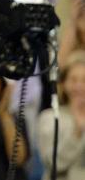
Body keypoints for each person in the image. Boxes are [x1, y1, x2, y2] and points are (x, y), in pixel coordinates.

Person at [37, 51, 85, 180]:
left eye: (84, 80)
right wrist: (77, 131)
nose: (79, 86)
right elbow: (54, 163)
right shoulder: (50, 118)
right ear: (63, 84)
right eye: (73, 80)